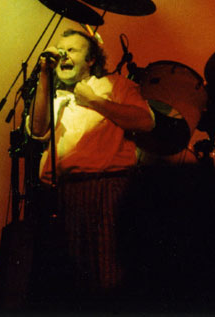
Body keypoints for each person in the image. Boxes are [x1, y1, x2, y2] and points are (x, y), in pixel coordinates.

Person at [28, 28, 154, 304]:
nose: (63, 55)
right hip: (62, 194)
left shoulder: (115, 85)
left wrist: (95, 100)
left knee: (108, 274)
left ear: (91, 59)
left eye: (71, 50)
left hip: (106, 189)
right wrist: (45, 76)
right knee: (69, 282)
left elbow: (145, 121)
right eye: (60, 50)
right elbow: (37, 130)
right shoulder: (54, 97)